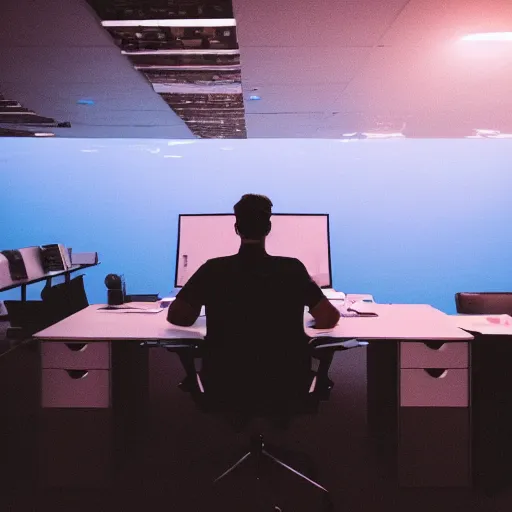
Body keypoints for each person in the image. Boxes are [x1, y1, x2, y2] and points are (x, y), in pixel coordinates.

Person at [167, 194, 340, 407]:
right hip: (286, 383)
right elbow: (329, 317)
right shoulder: (292, 269)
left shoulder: (212, 270)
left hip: (223, 383)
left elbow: (176, 316)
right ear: (268, 228)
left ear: (236, 228)